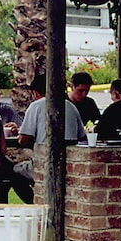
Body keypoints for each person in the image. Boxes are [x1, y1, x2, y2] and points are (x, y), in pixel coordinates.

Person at [14, 73, 87, 203]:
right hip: (70, 163)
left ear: (35, 93)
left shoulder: (36, 106)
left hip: (44, 162)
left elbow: (23, 140)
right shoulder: (71, 106)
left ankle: (34, 203)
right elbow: (82, 137)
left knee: (15, 172)